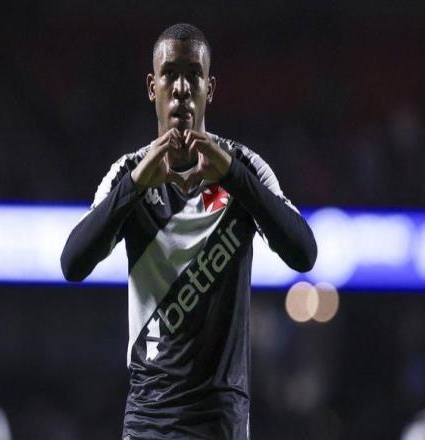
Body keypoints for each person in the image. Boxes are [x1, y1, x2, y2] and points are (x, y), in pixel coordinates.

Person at [61, 23, 317, 440]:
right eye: (170, 74)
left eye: (193, 75)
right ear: (152, 86)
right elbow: (72, 263)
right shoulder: (130, 173)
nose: (181, 88)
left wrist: (233, 177)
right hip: (149, 419)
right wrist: (134, 188)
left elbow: (304, 253)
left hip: (221, 422)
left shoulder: (244, 167)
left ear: (209, 89)